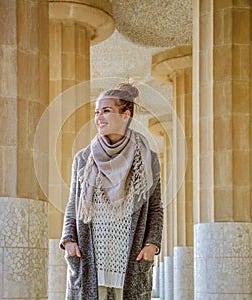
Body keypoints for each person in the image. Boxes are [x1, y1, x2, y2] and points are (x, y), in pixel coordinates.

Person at [60, 82, 163, 300]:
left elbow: (155, 206)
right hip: (91, 257)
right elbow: (73, 204)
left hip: (130, 258)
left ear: (126, 115)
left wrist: (152, 244)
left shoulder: (148, 158)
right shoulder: (83, 159)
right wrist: (69, 240)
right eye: (97, 112)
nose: (99, 117)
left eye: (106, 111)